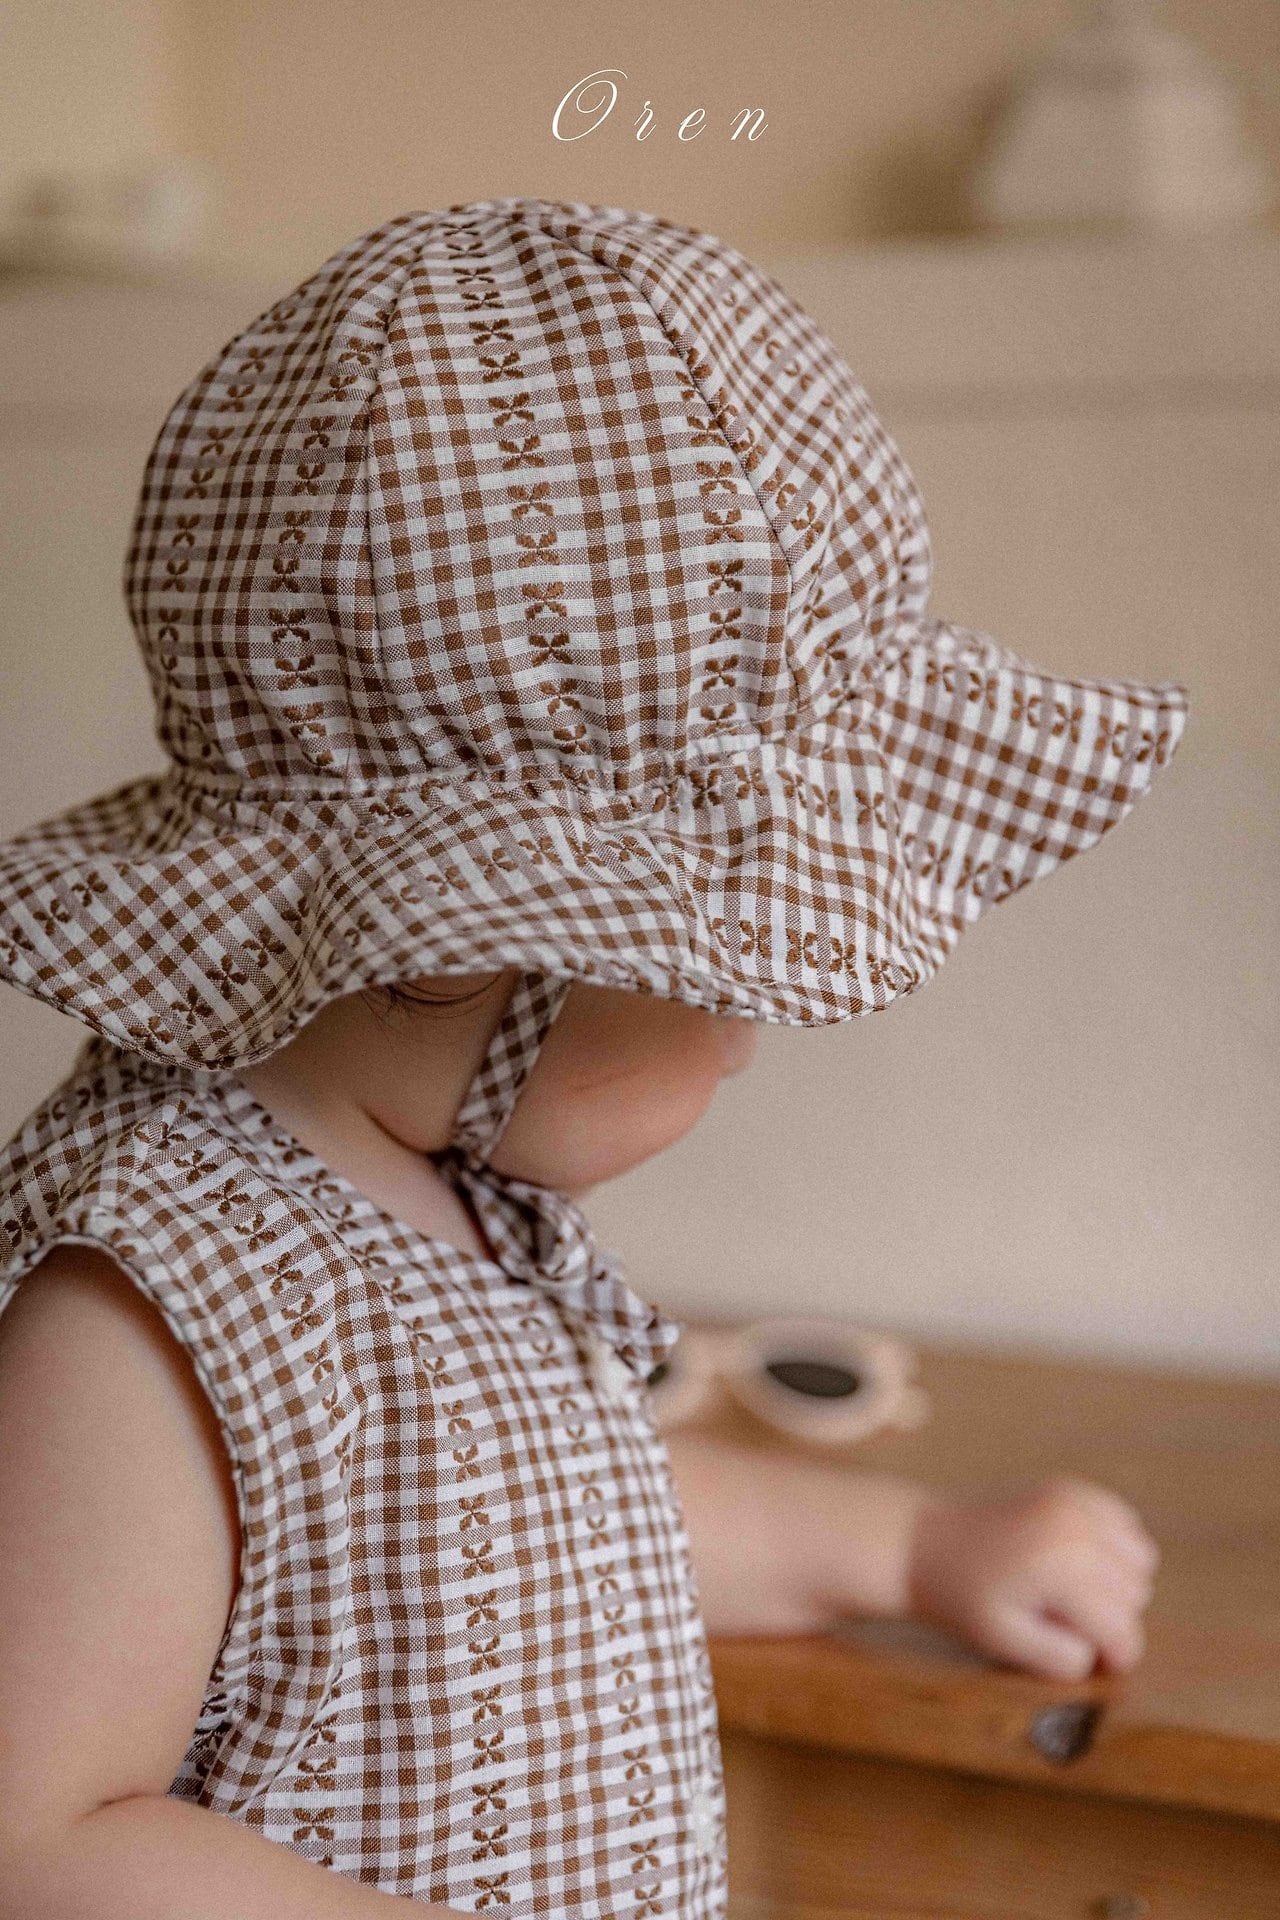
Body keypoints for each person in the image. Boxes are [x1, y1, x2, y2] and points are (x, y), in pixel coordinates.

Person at [0, 198, 1183, 1919]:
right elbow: (35, 1834)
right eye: (727, 962)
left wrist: (910, 1547)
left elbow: (558, 1513)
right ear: (478, 936)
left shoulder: (425, 1199)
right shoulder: (147, 1308)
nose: (752, 1038)